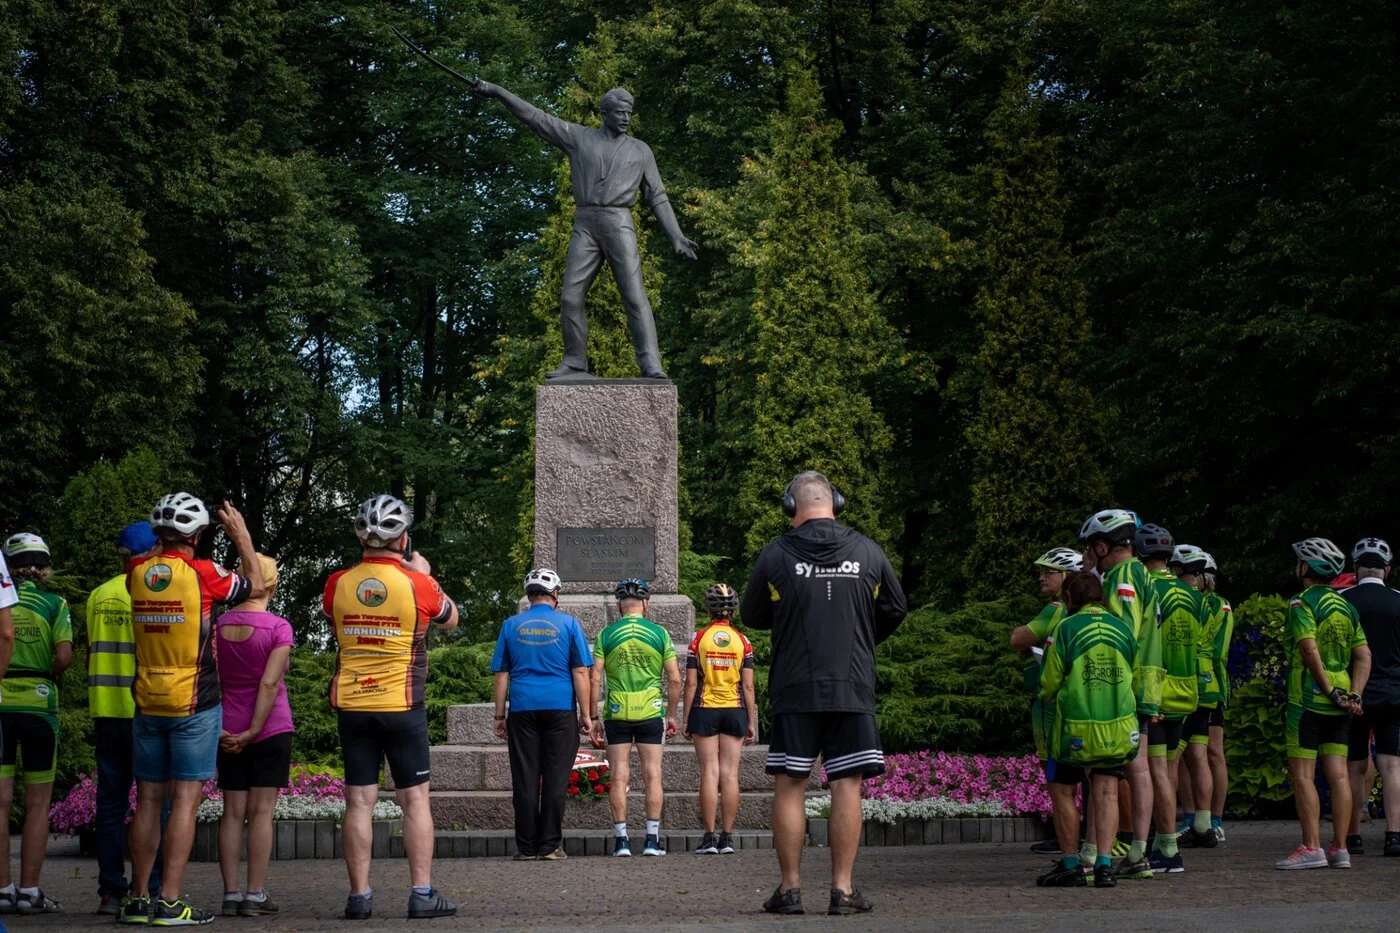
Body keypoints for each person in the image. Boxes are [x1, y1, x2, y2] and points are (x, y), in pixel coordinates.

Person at [741, 471, 907, 916]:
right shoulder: (868, 550)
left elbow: (752, 612)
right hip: (852, 685)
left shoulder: (775, 555)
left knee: (790, 785)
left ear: (789, 508)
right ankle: (843, 890)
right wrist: (860, 637)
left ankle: (790, 890)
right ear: (835, 502)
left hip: (795, 687)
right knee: (847, 783)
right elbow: (895, 607)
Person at [470, 82, 698, 379]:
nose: (626, 118)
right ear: (604, 113)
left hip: (619, 223)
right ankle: (575, 361)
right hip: (586, 224)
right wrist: (498, 91)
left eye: (629, 113)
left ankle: (651, 364)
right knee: (570, 297)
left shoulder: (641, 151)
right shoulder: (579, 138)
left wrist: (676, 236)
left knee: (634, 296)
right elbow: (536, 117)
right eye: (619, 113)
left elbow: (657, 196)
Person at [123, 493, 264, 926]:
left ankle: (137, 901)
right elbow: (255, 587)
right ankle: (168, 902)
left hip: (148, 699)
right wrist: (242, 538)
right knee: (184, 801)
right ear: (197, 535)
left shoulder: (136, 573)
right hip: (195, 701)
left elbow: (152, 560)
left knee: (147, 800)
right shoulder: (203, 573)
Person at [324, 495, 458, 919]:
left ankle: (359, 898)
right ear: (402, 539)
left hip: (353, 705)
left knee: (358, 802)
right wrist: (424, 575)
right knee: (415, 800)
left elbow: (336, 621)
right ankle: (421, 895)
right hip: (402, 705)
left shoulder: (337, 583)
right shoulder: (416, 583)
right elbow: (451, 618)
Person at [1036, 572, 1139, 888]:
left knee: (1062, 788)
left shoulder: (1066, 628)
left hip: (1075, 728)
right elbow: (1132, 674)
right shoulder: (1123, 630)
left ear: (1069, 599)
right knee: (1107, 790)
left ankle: (1070, 865)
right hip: (1118, 725)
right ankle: (1105, 866)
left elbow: (1050, 683)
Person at [1079, 509, 1162, 881]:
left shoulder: (1122, 574)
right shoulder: (1143, 572)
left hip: (1123, 684)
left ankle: (1103, 853)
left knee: (1108, 769)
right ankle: (1137, 852)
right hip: (1146, 681)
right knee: (1137, 767)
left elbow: (1121, 631)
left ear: (1102, 546)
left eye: (1089, 550)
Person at [1276, 537, 1369, 870]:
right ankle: (1340, 849)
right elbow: (1363, 655)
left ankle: (1311, 847)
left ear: (1306, 568)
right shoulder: (1347, 606)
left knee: (1302, 775)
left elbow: (1309, 649)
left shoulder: (1301, 604)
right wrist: (1353, 693)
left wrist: (1327, 688)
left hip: (1308, 701)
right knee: (1339, 775)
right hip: (1343, 703)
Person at [86, 522, 165, 913]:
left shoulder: (98, 595)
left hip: (105, 709)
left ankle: (110, 890)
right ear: (151, 552)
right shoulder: (152, 591)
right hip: (143, 709)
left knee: (111, 804)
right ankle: (149, 885)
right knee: (153, 801)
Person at [491, 568, 593, 861]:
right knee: (556, 779)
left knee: (524, 778)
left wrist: (500, 716)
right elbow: (580, 671)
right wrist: (586, 714)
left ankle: (525, 847)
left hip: (523, 708)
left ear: (529, 595)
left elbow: (501, 674)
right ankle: (549, 846)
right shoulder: (569, 624)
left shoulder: (511, 626)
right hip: (560, 708)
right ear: (555, 594)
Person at [215, 554, 293, 917]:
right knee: (262, 813)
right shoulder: (279, 628)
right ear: (272, 586)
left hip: (226, 728)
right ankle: (255, 894)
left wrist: (229, 730)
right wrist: (254, 730)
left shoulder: (218, 625)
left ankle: (230, 894)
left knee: (232, 814)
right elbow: (269, 682)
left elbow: (211, 680)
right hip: (270, 728)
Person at [0, 534, 72, 913]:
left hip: (0, 704)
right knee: (38, 803)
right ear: (44, 566)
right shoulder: (55, 603)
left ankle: (2, 889)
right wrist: (46, 673)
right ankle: (30, 891)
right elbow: (64, 656)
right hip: (40, 707)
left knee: (0, 802)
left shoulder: (1, 602)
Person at [590, 578, 682, 857]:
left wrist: (592, 715)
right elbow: (676, 679)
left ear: (619, 606)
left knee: (619, 775)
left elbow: (594, 677)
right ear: (646, 604)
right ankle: (652, 840)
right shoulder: (659, 634)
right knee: (653, 774)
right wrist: (672, 714)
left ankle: (621, 842)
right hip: (650, 711)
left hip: (617, 712)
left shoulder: (607, 634)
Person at [1135, 524, 1207, 873]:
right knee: (1167, 769)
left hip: (1158, 692)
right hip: (1186, 689)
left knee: (1157, 772)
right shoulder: (1192, 592)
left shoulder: (1146, 588)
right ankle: (1163, 842)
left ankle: (1166, 848)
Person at [1010, 547, 1082, 857]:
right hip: (1078, 701)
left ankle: (1065, 838)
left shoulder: (1055, 608)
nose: (1041, 577)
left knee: (1056, 775)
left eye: (1048, 572)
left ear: (1067, 577)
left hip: (1050, 703)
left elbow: (1018, 639)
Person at [683, 583, 758, 855]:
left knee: (709, 773)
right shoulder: (742, 641)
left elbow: (691, 684)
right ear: (733, 612)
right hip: (734, 709)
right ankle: (727, 838)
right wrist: (751, 721)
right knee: (730, 774)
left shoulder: (698, 639)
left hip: (705, 708)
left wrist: (686, 717)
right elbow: (748, 687)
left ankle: (709, 838)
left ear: (708, 609)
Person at [1342, 537, 1400, 856]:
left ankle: (1353, 836)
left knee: (1354, 766)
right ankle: (1394, 835)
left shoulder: (1342, 600)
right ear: (1386, 570)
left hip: (1355, 695)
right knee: (1392, 765)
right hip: (1393, 694)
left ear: (1355, 568)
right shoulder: (1398, 601)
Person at [1173, 545, 1232, 845]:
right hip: (1211, 686)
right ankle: (1199, 820)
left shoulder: (1208, 605)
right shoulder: (1215, 604)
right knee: (1199, 754)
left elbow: (1213, 649)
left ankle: (1208, 820)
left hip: (1199, 684)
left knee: (1198, 754)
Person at [1199, 552, 1233, 843]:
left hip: (1211, 684)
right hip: (1186, 684)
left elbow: (1215, 649)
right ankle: (1193, 816)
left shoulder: (1219, 605)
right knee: (1188, 755)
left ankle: (1216, 818)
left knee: (1213, 752)